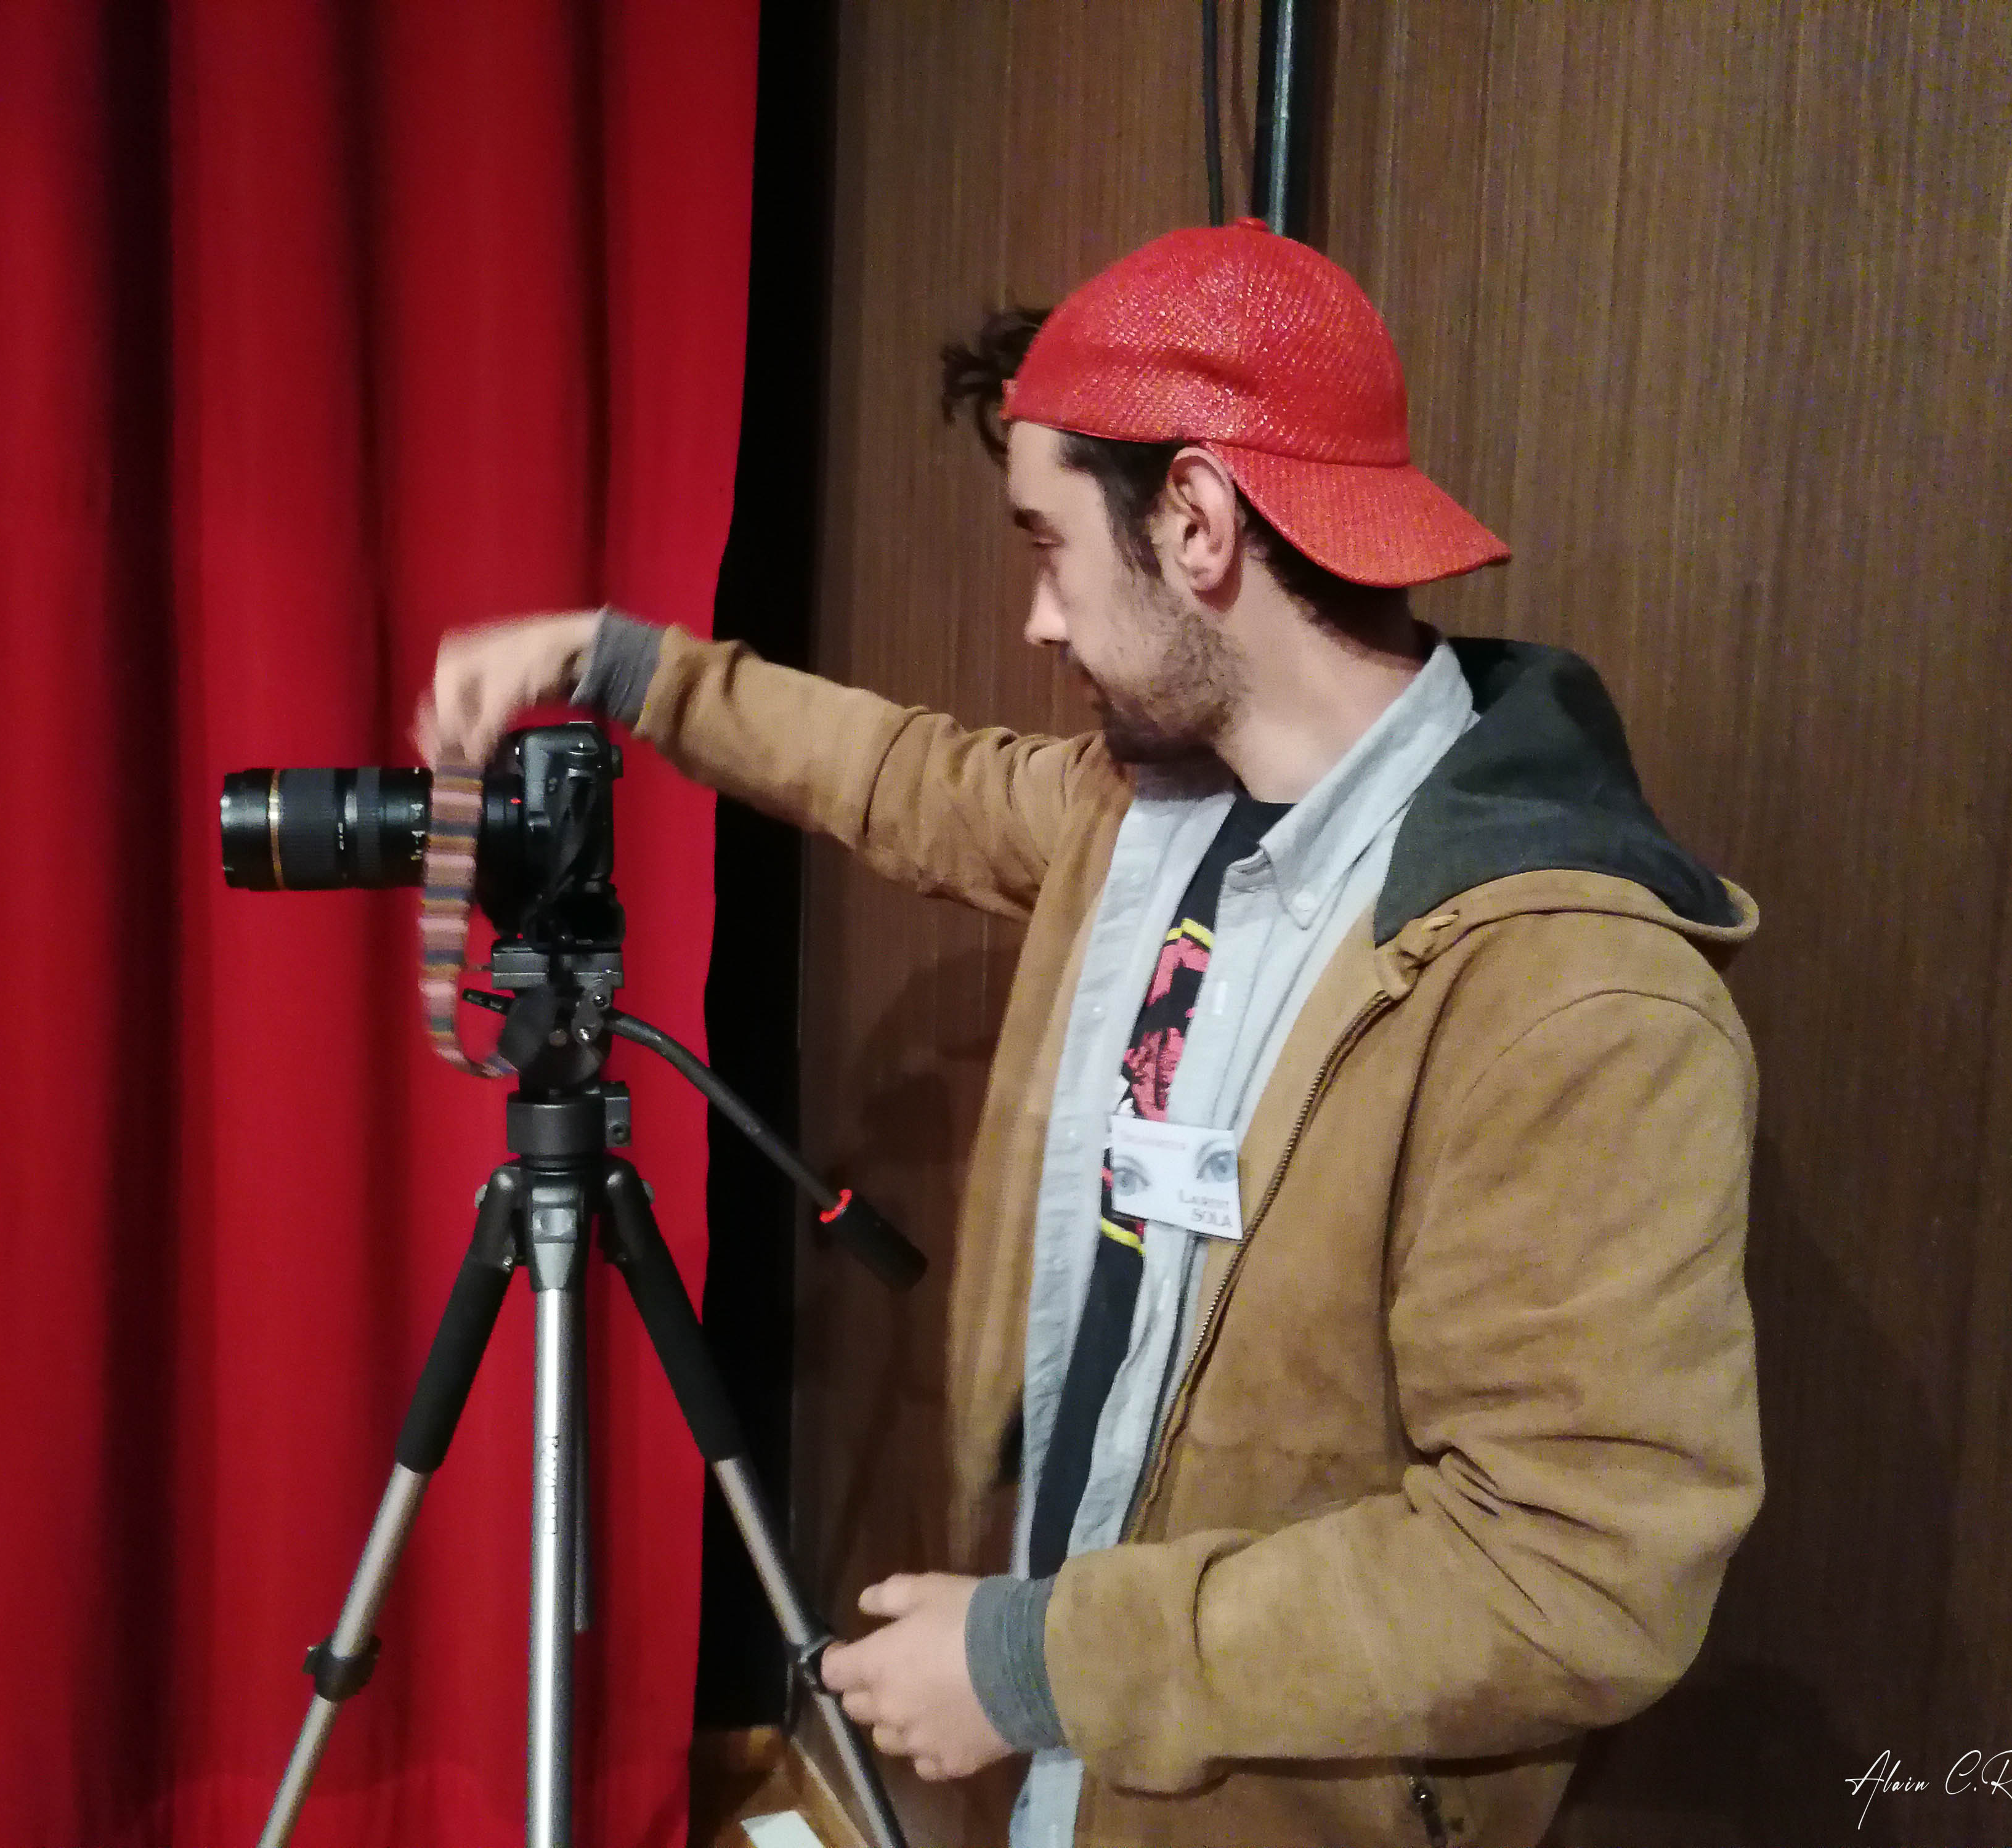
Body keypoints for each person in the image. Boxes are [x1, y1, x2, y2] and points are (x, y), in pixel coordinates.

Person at [415, 222, 1763, 1848]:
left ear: (1195, 522)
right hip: (1072, 1775)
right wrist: (624, 667)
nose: (1040, 624)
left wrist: (1042, 1662)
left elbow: (1574, 1576)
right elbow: (904, 779)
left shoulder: (1574, 992)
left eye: (1049, 549)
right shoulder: (1142, 816)